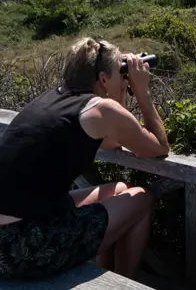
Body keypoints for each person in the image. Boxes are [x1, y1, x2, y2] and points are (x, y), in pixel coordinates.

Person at [0, 37, 170, 281]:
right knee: (141, 199)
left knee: (121, 189)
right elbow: (158, 148)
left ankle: (111, 277)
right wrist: (142, 92)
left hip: (16, 230)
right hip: (22, 247)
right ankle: (121, 286)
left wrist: (117, 86)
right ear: (102, 80)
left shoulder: (53, 98)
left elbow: (111, 142)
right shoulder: (99, 110)